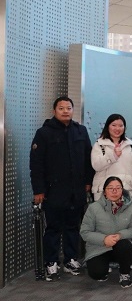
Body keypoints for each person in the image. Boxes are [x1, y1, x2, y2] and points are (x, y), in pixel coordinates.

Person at [29, 96, 93, 280]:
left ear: (73, 110)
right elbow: (36, 164)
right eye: (61, 108)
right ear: (54, 111)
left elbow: (88, 158)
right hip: (53, 191)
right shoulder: (44, 133)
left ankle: (70, 259)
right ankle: (51, 262)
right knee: (53, 228)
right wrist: (38, 190)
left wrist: (88, 182)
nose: (65, 111)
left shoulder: (80, 131)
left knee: (73, 226)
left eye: (69, 108)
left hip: (76, 190)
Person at [80, 176, 132, 288]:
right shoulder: (94, 208)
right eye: (110, 188)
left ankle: (124, 274)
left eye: (118, 188)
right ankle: (105, 266)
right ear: (104, 191)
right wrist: (104, 239)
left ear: (122, 190)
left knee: (125, 245)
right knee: (97, 273)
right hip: (99, 247)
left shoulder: (130, 207)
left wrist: (120, 235)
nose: (114, 191)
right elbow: (85, 232)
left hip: (119, 245)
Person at [91, 113, 132, 201]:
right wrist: (113, 156)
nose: (117, 128)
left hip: (127, 190)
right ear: (108, 126)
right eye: (114, 125)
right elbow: (96, 166)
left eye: (121, 126)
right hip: (104, 191)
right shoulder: (100, 144)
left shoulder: (129, 145)